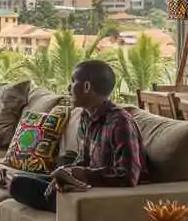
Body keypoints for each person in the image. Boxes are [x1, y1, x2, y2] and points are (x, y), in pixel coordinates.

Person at [8, 60, 146, 212]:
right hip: (84, 186)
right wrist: (65, 172)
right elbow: (83, 161)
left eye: (73, 81)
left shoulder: (120, 122)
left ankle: (66, 206)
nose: (69, 88)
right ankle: (52, 196)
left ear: (87, 87)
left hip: (100, 193)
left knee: (18, 184)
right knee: (20, 178)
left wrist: (82, 174)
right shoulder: (86, 117)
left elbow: (128, 176)